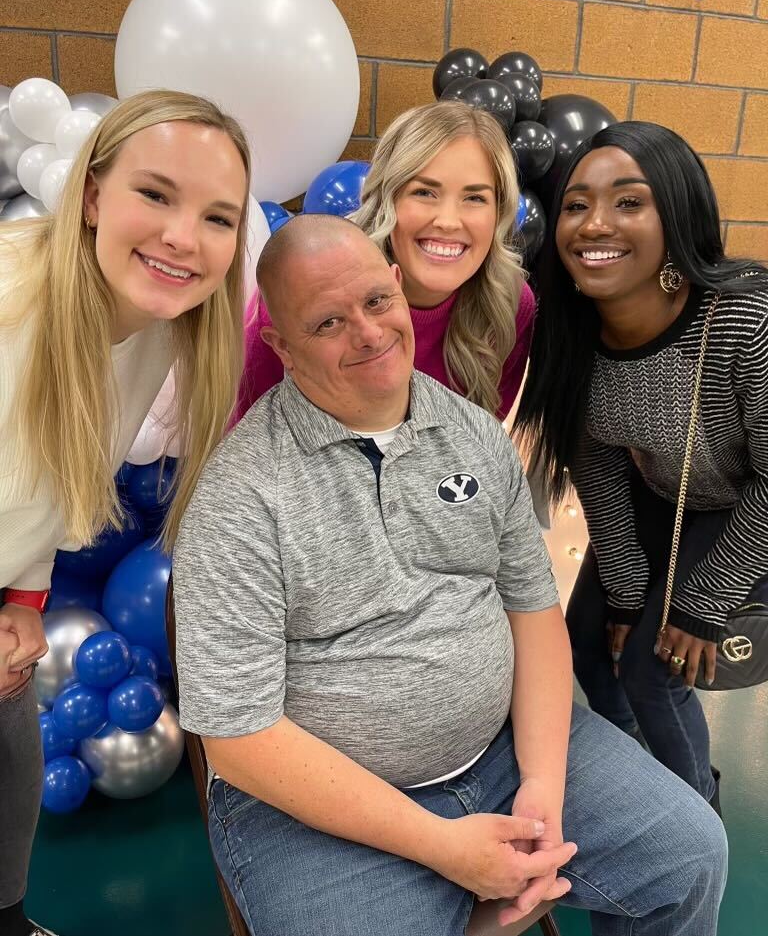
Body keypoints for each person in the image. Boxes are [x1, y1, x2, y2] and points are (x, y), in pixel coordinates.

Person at [173, 213, 726, 936]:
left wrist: (542, 787)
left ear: (400, 286)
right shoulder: (240, 493)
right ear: (278, 344)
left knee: (689, 856)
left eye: (376, 301)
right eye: (327, 322)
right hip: (318, 815)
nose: (368, 333)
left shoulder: (471, 432)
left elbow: (533, 614)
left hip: (499, 752)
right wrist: (448, 851)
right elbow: (240, 739)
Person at [0, 89, 250, 936]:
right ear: (95, 192)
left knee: (12, 767)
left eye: (219, 216)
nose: (185, 235)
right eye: (157, 194)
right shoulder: (9, 304)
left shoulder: (151, 328)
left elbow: (43, 486)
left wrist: (24, 599)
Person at [515, 120, 768, 806]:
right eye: (576, 204)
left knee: (656, 669)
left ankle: (694, 825)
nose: (595, 223)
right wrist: (626, 591)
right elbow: (595, 463)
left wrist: (703, 602)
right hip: (665, 494)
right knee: (591, 648)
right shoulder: (571, 333)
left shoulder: (745, 318)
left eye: (629, 201)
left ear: (677, 213)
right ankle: (646, 791)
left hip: (746, 506)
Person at [235, 101, 534, 424]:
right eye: (424, 193)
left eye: (475, 198)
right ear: (386, 199)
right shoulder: (301, 290)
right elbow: (252, 429)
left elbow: (482, 438)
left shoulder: (509, 303)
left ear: (498, 213)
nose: (448, 221)